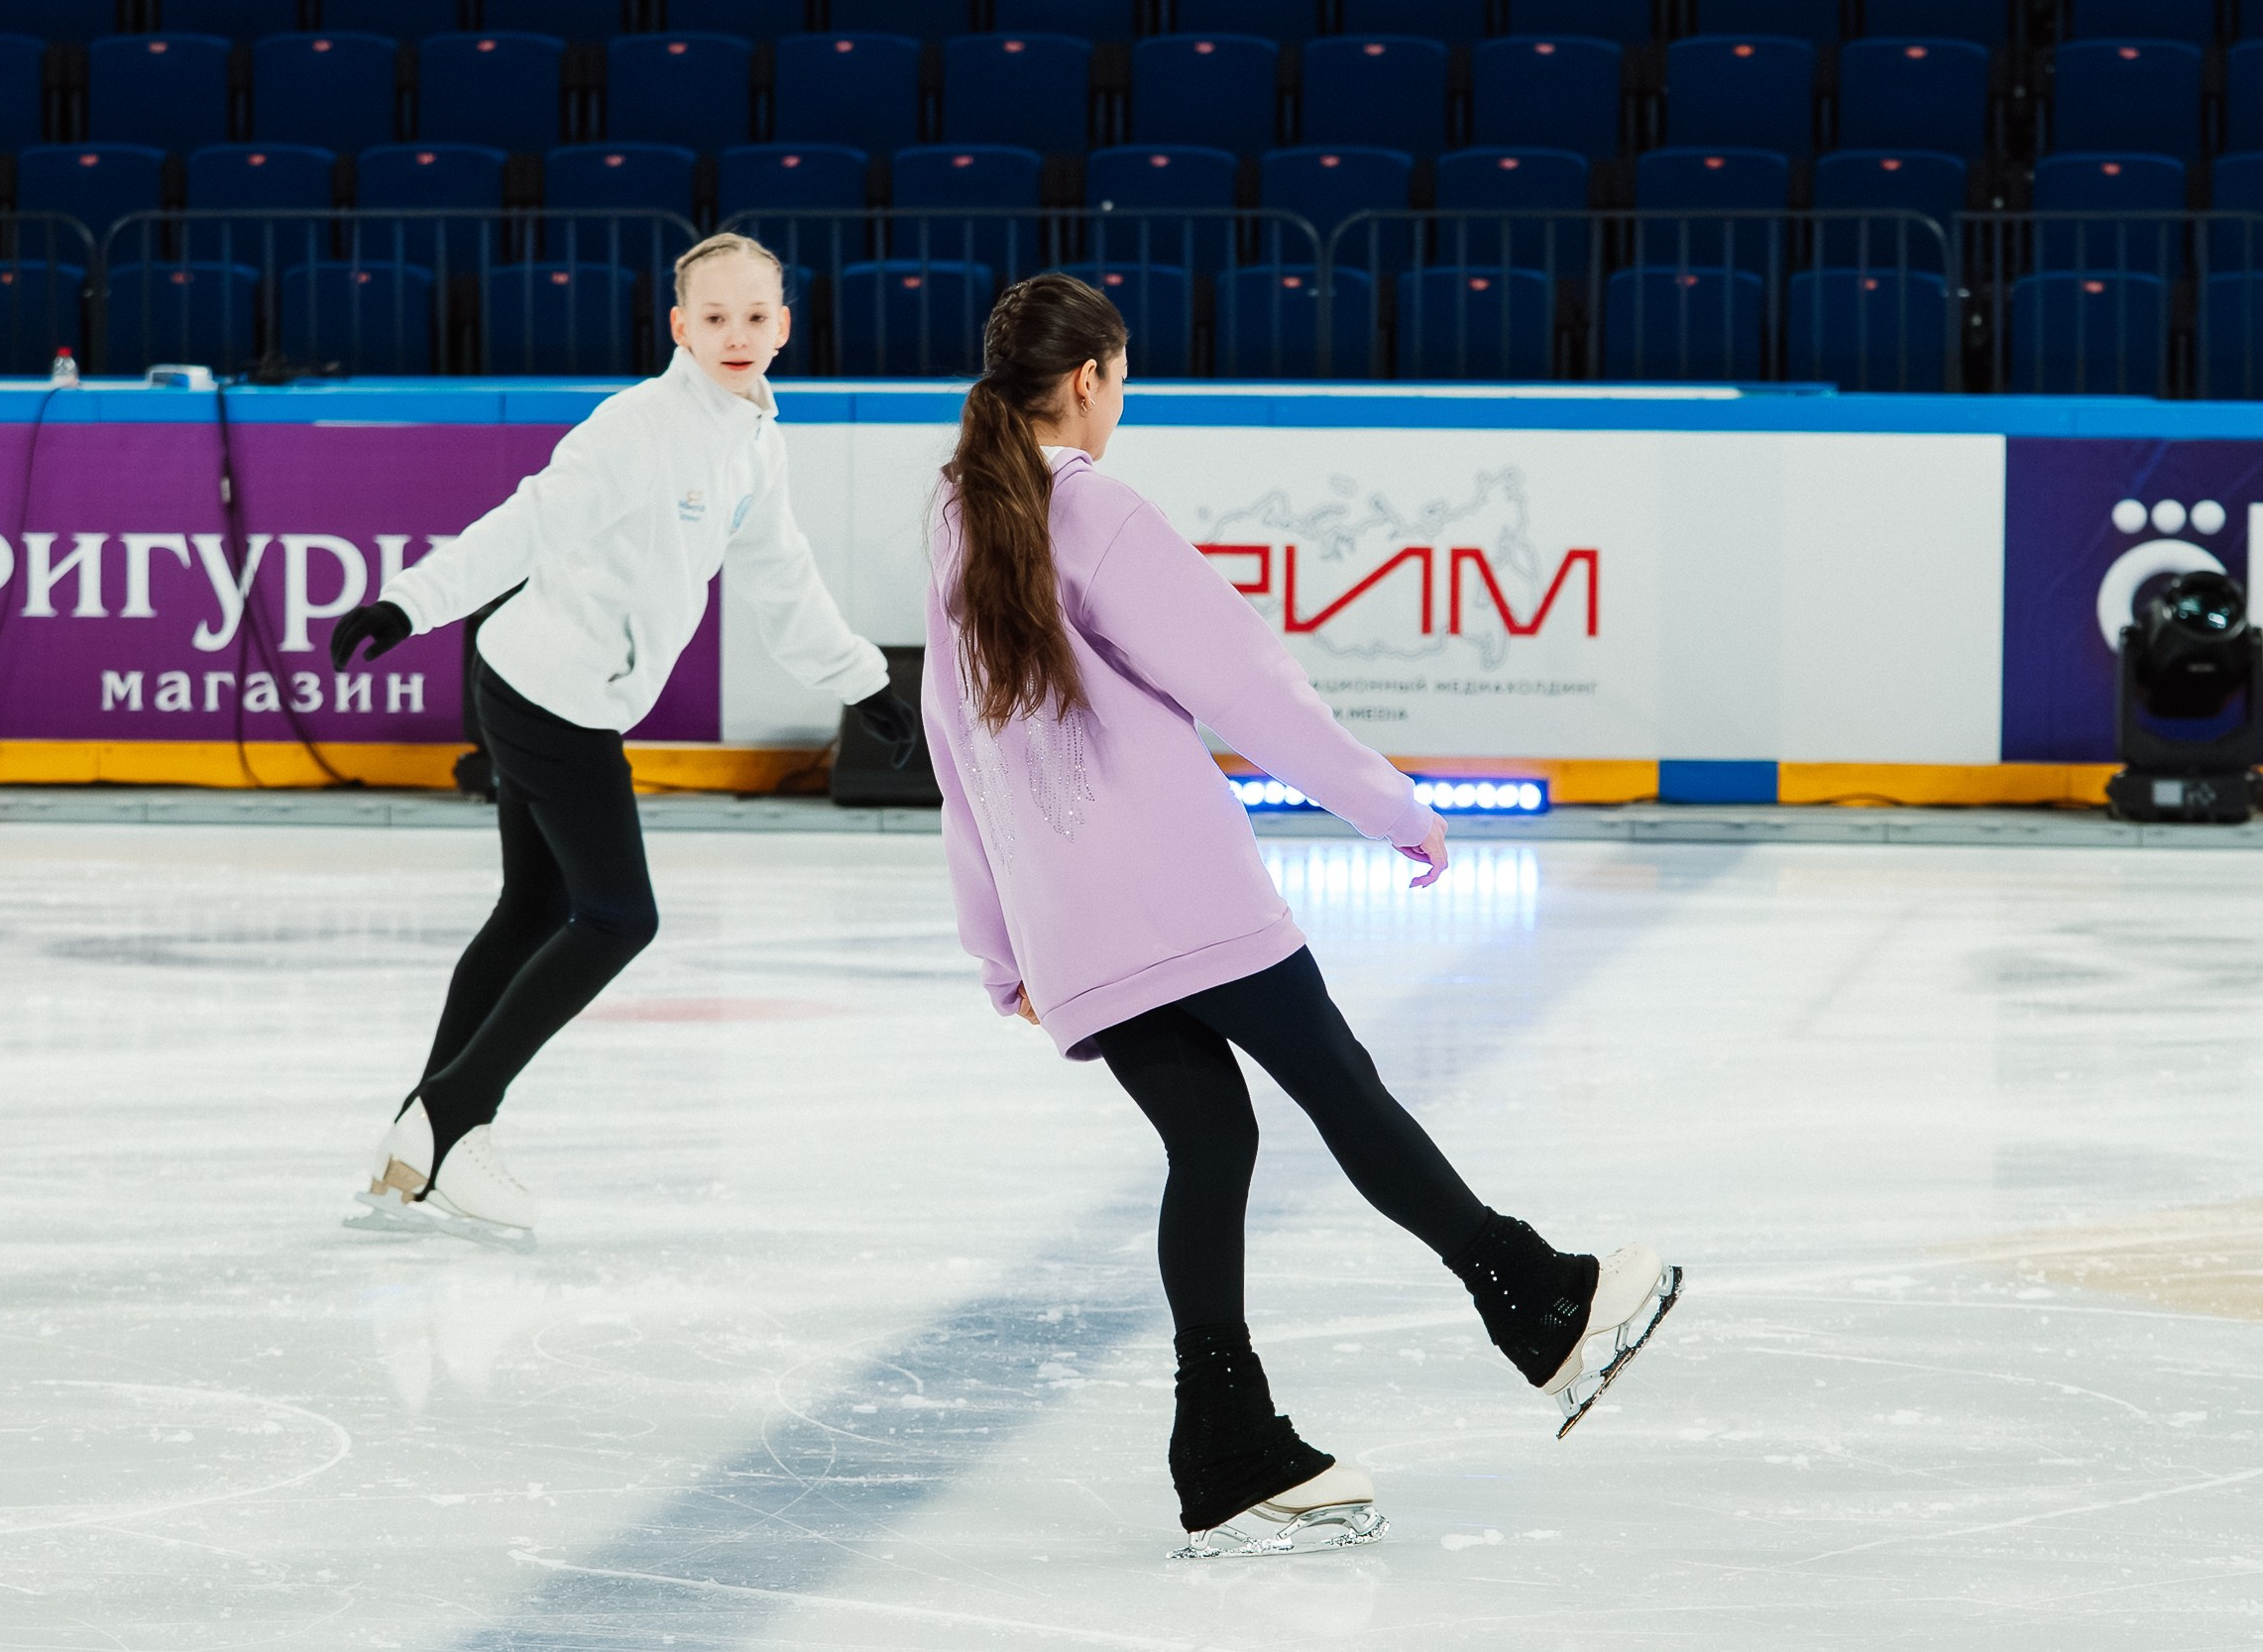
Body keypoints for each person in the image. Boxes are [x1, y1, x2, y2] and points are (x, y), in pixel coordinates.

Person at [917, 274, 1683, 1559]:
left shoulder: (954, 516)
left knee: (1211, 1141)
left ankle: (1226, 1448)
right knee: (1342, 1087)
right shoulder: (1091, 506)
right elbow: (1245, 681)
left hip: (1071, 919)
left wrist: (1001, 950)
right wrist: (1391, 805)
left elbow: (955, 751)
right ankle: (1540, 1305)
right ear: (1094, 377)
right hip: (1181, 885)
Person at [330, 232, 919, 1251]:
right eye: (715, 318)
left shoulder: (753, 438)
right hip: (548, 689)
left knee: (531, 907)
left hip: (560, 687)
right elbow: (529, 523)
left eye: (755, 316)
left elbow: (781, 578)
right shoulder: (637, 426)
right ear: (680, 327)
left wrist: (862, 680)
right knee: (616, 916)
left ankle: (418, 1137)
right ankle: (448, 1118)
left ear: (783, 325)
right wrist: (405, 604)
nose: (737, 335)